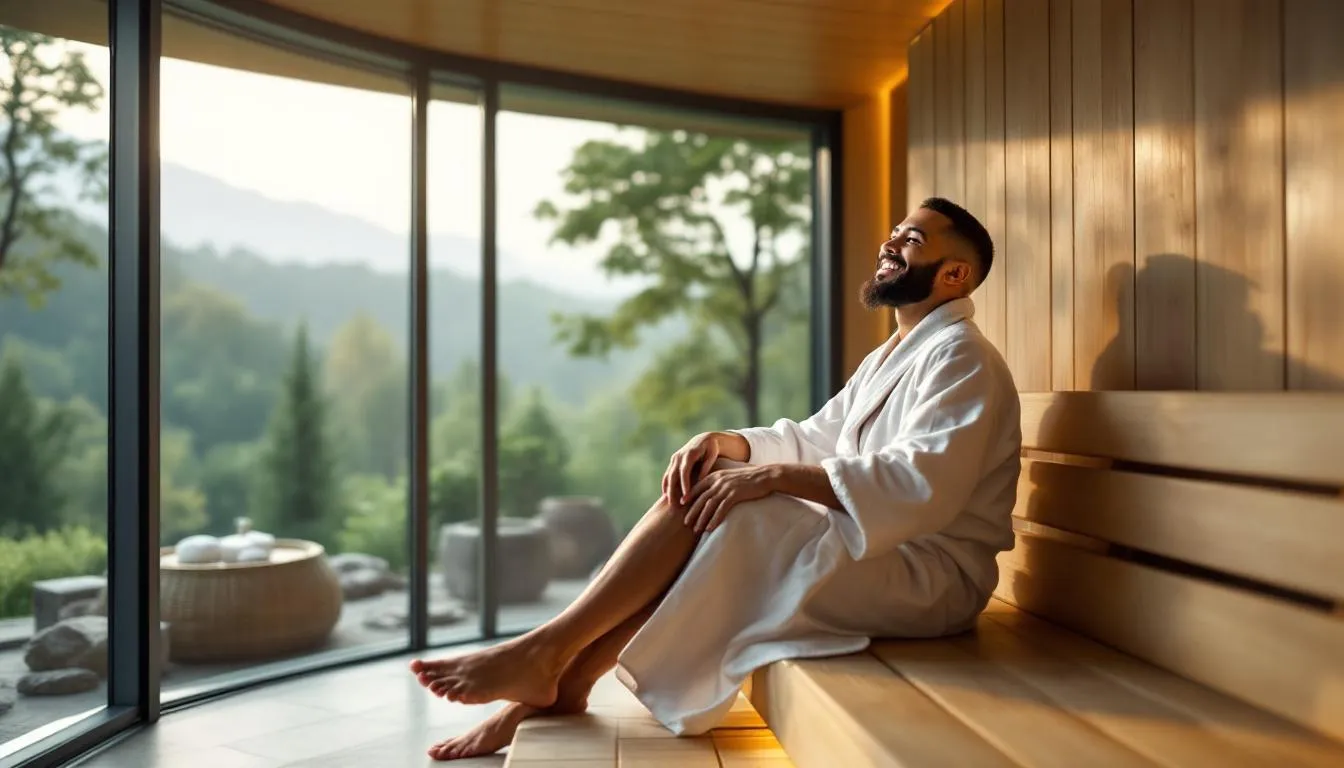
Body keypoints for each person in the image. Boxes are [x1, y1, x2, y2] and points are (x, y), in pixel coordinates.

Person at [411, 197, 1022, 761]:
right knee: (715, 481)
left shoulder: (961, 357)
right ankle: (557, 673)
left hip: (932, 579)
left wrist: (770, 477)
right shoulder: (896, 354)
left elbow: (921, 484)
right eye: (893, 234)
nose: (890, 246)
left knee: (735, 510)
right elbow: (819, 435)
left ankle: (551, 660)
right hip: (881, 551)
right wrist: (729, 444)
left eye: (911, 240)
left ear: (954, 275)